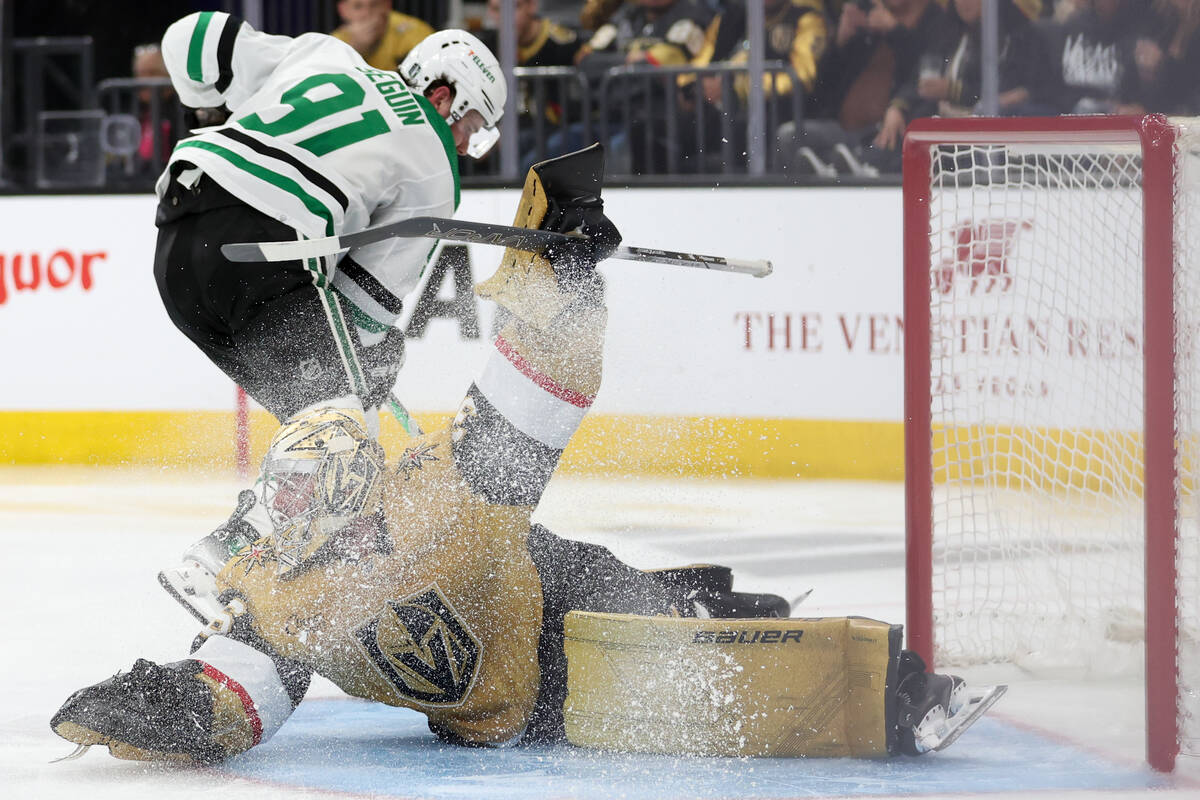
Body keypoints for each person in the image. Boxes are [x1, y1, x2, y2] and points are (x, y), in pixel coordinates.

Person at [50, 145, 998, 763]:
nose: (279, 505)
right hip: (511, 697)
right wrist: (165, 713)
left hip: (550, 603)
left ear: (347, 490)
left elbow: (540, 390)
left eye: (300, 488)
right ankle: (712, 599)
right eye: (281, 486)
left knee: (683, 656)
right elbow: (238, 696)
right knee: (642, 655)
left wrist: (562, 269)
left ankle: (895, 690)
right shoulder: (283, 595)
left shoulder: (436, 493)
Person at [148, 12, 505, 624]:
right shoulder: (435, 170)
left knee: (312, 419)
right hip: (262, 252)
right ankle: (215, 563)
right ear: (442, 97)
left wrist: (207, 113)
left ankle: (303, 558)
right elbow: (363, 302)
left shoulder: (325, 53)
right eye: (472, 126)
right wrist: (374, 362)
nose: (469, 145)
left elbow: (195, 37)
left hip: (178, 247)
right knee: (344, 432)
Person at [331, 0, 436, 71]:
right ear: (343, 10)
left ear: (387, 5)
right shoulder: (334, 42)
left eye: (375, 5)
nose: (367, 13)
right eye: (358, 7)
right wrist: (355, 49)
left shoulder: (414, 31)